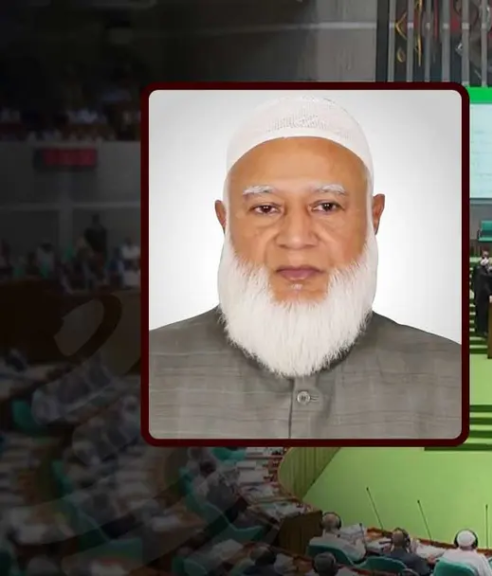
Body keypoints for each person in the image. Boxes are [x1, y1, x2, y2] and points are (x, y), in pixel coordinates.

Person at [147, 95, 461, 441]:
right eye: (266, 208)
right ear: (226, 221)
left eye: (327, 206)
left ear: (374, 217)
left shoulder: (450, 376)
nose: (296, 239)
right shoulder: (147, 367)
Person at [473, 251, 492, 337]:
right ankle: (480, 330)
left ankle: (482, 330)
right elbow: (484, 281)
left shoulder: (487, 270)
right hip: (481, 296)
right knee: (481, 314)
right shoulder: (479, 270)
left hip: (483, 297)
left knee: (483, 314)